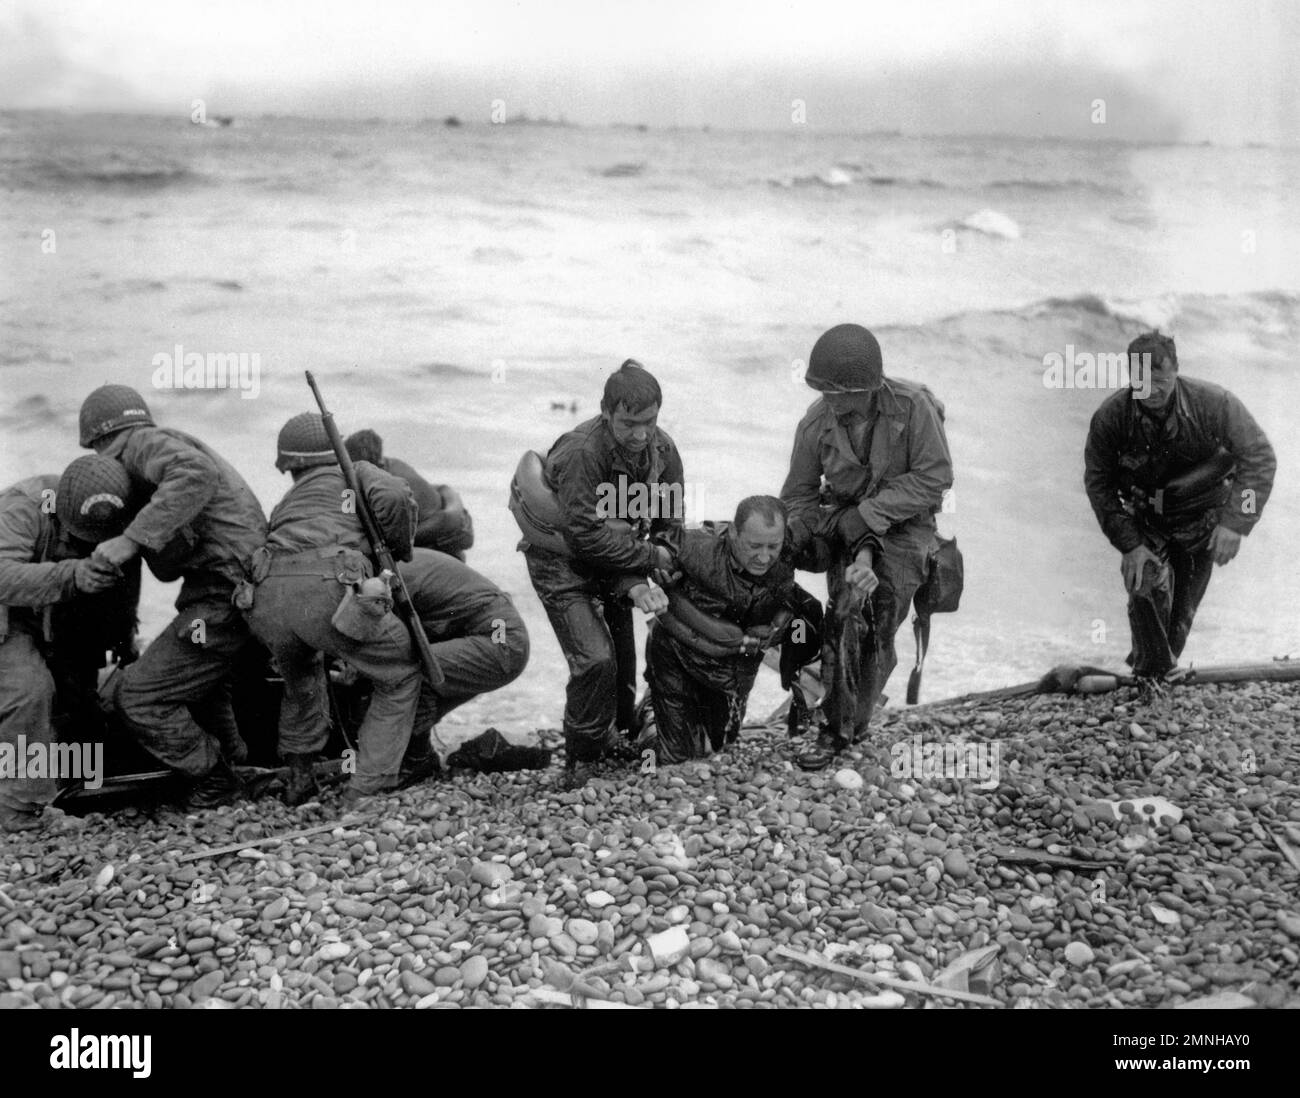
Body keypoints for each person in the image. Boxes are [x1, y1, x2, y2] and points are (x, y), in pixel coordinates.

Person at [82, 385, 268, 808]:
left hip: (225, 596)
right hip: (231, 591)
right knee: (202, 683)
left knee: (137, 697)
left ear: (100, 441)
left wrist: (129, 540)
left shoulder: (142, 444)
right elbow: (170, 566)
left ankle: (215, 777)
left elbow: (194, 473)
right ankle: (236, 766)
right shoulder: (161, 449)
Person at [781, 324, 954, 771]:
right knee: (843, 613)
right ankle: (840, 719)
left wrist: (871, 518)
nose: (832, 402)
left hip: (905, 528)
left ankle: (847, 722)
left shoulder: (913, 408)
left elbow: (935, 477)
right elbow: (797, 497)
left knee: (876, 617)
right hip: (844, 521)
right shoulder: (816, 422)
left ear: (871, 388)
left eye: (842, 393)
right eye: (825, 392)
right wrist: (809, 534)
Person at [512, 360, 684, 778]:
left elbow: (670, 521)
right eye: (628, 423)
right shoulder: (581, 452)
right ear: (606, 413)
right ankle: (582, 757)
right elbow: (585, 537)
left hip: (617, 559)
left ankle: (620, 734)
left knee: (622, 664)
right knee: (594, 660)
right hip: (562, 563)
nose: (641, 434)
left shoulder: (662, 450)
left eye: (649, 421)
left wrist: (662, 559)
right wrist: (646, 562)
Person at [245, 412, 425, 806]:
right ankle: (367, 789)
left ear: (290, 465)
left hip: (266, 599)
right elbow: (396, 496)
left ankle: (299, 778)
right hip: (327, 589)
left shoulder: (288, 501)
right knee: (400, 671)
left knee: (302, 681)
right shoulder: (354, 470)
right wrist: (396, 551)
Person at [1084, 330, 1275, 678]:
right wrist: (1129, 545)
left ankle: (1154, 675)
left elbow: (1260, 458)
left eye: (1161, 380)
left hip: (1202, 518)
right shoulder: (1111, 418)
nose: (1153, 391)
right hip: (1147, 520)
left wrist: (1236, 523)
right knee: (1146, 589)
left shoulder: (1215, 403)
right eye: (1142, 381)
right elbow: (1099, 485)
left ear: (1176, 371)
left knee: (1179, 620)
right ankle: (1149, 676)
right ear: (1130, 376)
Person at [0, 456, 138, 832]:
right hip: (5, 609)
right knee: (29, 690)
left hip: (36, 613)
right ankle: (19, 811)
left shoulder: (113, 514)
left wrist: (123, 633)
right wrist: (73, 573)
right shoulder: (23, 506)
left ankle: (69, 780)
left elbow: (125, 571)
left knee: (80, 700)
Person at [636, 497, 821, 764]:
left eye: (773, 546)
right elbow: (645, 552)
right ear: (733, 532)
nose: (764, 556)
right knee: (676, 756)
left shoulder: (789, 550)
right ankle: (652, 709)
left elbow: (831, 543)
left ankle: (681, 716)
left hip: (734, 670)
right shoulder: (697, 544)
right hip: (678, 656)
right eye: (754, 546)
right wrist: (652, 578)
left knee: (719, 744)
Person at [396, 547, 549, 773]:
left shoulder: (391, 577)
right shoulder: (400, 562)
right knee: (416, 677)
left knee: (413, 672)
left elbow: (387, 650)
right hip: (497, 634)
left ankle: (417, 760)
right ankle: (412, 752)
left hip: (500, 639)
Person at [344, 429, 474, 560]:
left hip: (438, 540)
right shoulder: (392, 465)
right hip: (444, 530)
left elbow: (393, 535)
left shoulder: (387, 484)